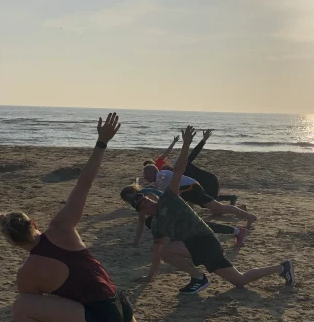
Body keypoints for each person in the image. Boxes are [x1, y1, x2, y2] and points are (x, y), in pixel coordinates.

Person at [0, 113, 241, 322]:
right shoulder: (62, 228)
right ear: (34, 223)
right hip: (117, 303)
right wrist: (101, 142)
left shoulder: (27, 274)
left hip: (97, 319)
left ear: (12, 243)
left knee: (23, 305)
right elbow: (84, 184)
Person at [128, 125, 296, 294]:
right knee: (239, 280)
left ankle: (198, 278)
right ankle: (282, 268)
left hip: (205, 241)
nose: (148, 202)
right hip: (197, 248)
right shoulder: (156, 224)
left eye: (147, 199)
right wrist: (149, 277)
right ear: (143, 212)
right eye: (144, 205)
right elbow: (157, 253)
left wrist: (186, 144)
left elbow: (178, 170)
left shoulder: (168, 199)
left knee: (167, 249)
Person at [121, 185, 249, 247]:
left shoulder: (144, 194)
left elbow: (159, 201)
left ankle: (237, 231)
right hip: (170, 214)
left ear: (134, 192)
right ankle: (236, 231)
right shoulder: (138, 203)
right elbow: (141, 222)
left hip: (174, 209)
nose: (129, 200)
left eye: (129, 197)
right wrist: (136, 242)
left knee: (201, 226)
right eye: (127, 200)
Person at [141, 162, 255, 225]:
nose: (145, 178)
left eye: (146, 175)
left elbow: (164, 182)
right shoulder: (160, 180)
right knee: (216, 209)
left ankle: (249, 216)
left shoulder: (161, 174)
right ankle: (243, 211)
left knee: (218, 208)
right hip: (188, 190)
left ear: (152, 172)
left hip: (191, 189)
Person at [149, 130, 239, 205]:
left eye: (168, 169)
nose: (169, 171)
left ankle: (232, 200)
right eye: (166, 171)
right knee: (207, 201)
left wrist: (203, 140)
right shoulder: (176, 177)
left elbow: (194, 154)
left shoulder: (183, 166)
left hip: (210, 180)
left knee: (209, 202)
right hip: (202, 183)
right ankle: (231, 198)